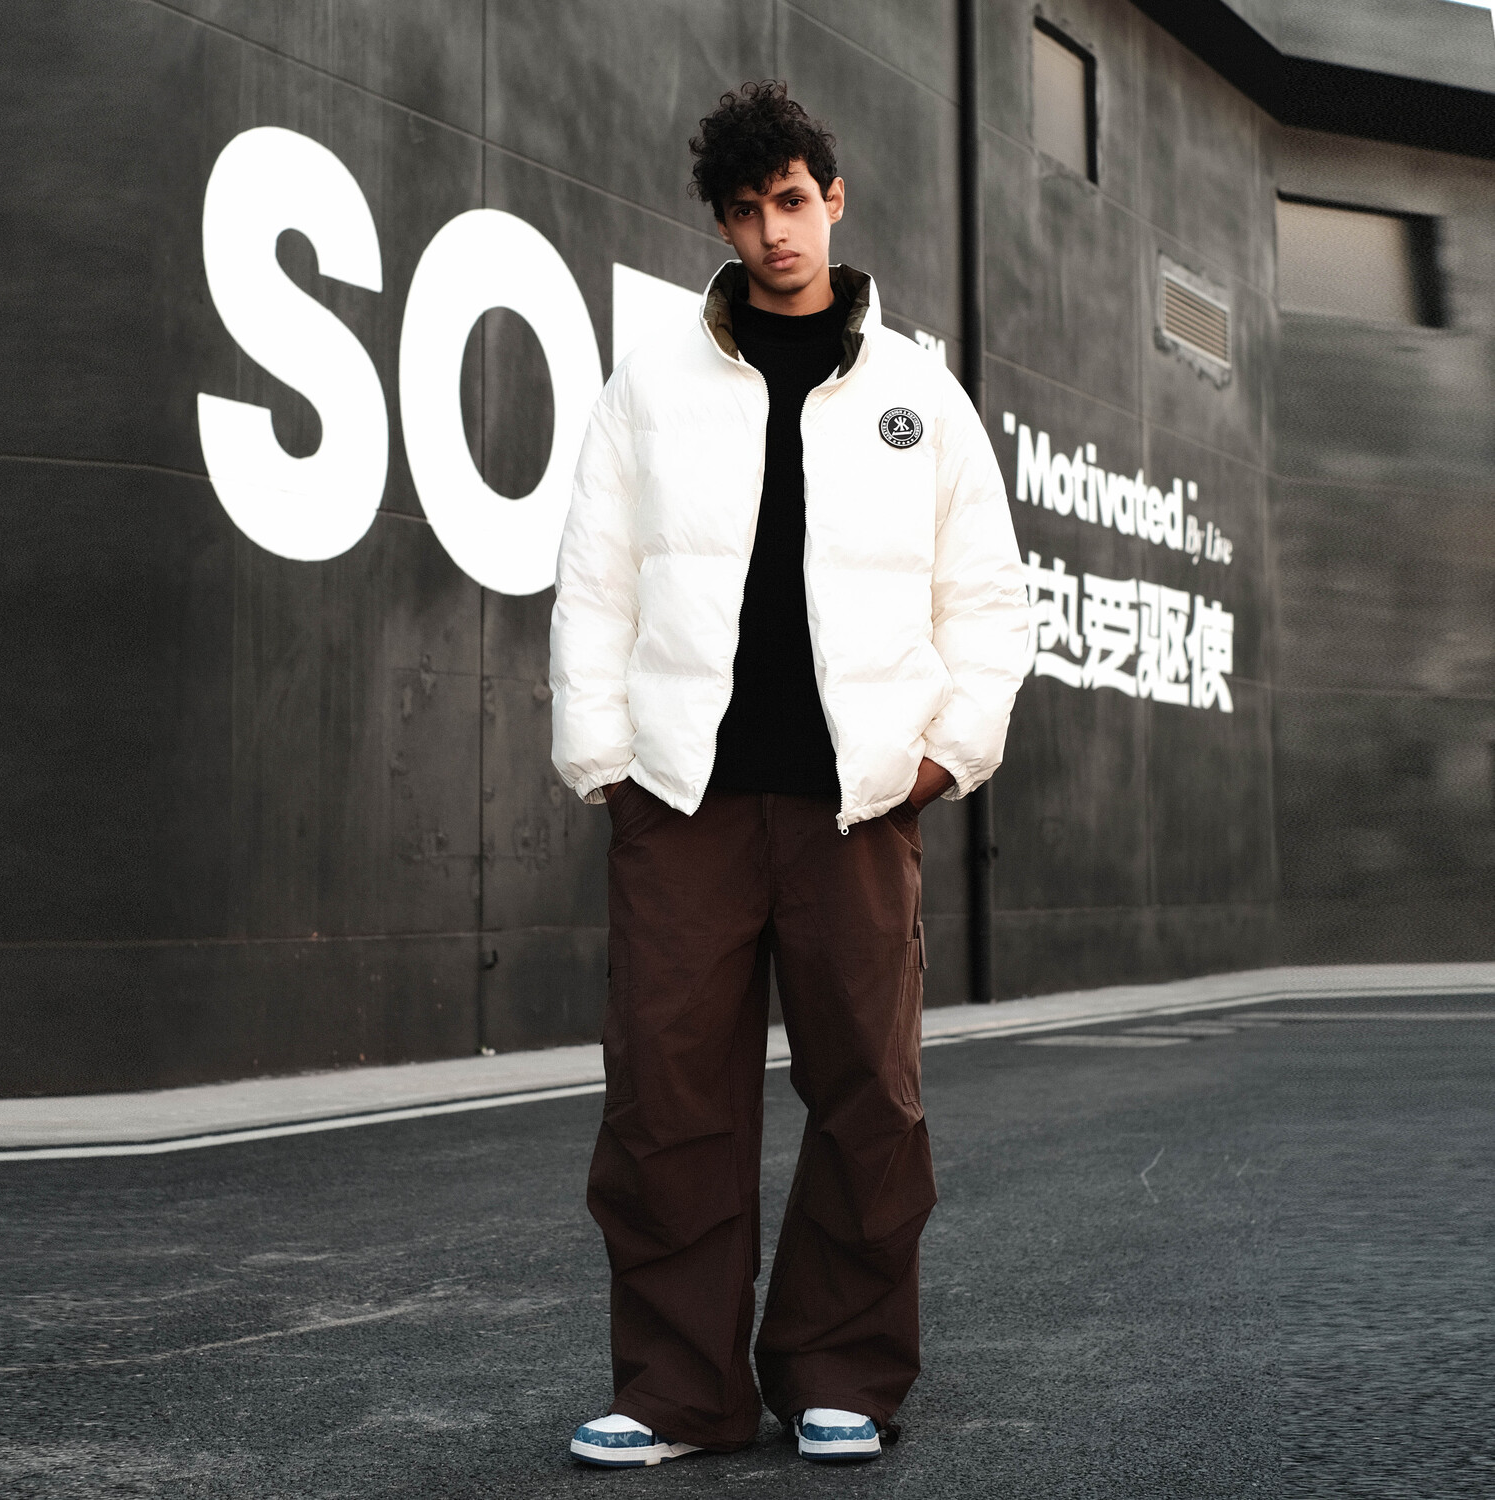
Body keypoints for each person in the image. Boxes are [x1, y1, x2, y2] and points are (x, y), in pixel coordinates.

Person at [549, 80, 1030, 1468]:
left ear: (835, 200)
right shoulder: (651, 386)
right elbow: (595, 583)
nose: (777, 231)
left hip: (857, 804)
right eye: (750, 209)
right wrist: (607, 762)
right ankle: (676, 1392)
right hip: (683, 803)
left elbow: (985, 597)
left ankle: (842, 1371)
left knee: (870, 1093)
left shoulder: (918, 393)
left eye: (795, 201)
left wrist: (945, 754)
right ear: (721, 222)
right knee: (665, 1099)